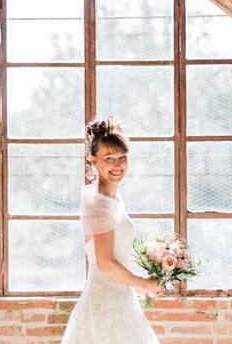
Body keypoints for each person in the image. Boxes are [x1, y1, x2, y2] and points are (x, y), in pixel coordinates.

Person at [60, 118, 161, 344]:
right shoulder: (98, 202)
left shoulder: (111, 197)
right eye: (108, 159)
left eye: (122, 157)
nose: (117, 164)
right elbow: (105, 263)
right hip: (105, 304)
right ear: (93, 161)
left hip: (121, 299)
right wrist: (144, 284)